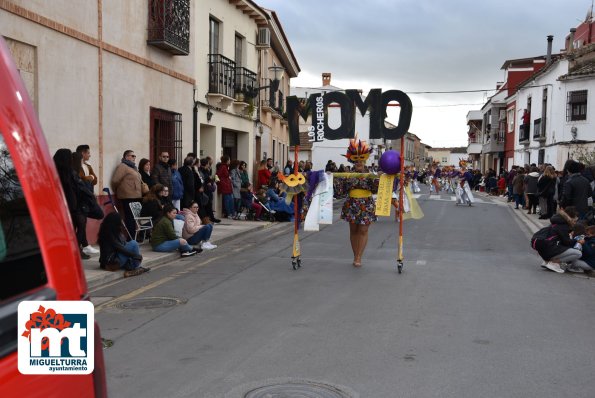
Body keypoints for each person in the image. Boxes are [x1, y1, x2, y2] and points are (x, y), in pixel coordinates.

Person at [333, 137, 378, 267]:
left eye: (361, 159)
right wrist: (333, 178)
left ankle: (359, 256)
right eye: (356, 159)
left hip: (366, 204)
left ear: (365, 159)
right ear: (352, 159)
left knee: (363, 230)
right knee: (353, 230)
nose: (359, 161)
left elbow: (376, 189)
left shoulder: (371, 173)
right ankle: (355, 255)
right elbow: (340, 191)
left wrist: (377, 178)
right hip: (352, 203)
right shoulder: (348, 174)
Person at [53, 148, 91, 259]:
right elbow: (79, 189)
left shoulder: (53, 172)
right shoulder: (69, 173)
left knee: (75, 228)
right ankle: (74, 251)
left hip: (64, 207)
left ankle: (74, 250)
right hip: (71, 207)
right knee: (78, 227)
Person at [532, 207, 582, 273]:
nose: (575, 223)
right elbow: (567, 242)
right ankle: (554, 263)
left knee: (563, 248)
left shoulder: (557, 220)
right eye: (575, 221)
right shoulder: (563, 225)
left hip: (544, 250)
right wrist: (577, 241)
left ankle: (547, 261)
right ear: (571, 218)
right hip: (549, 250)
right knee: (578, 253)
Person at [97, 212, 148, 276]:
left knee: (130, 245)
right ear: (115, 222)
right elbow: (120, 248)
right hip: (111, 263)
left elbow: (123, 245)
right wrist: (135, 255)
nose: (122, 222)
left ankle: (134, 266)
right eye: (120, 221)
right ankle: (136, 268)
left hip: (111, 261)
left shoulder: (110, 231)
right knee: (133, 243)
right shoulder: (108, 234)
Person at [111, 150, 143, 239]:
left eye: (135, 156)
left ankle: (134, 236)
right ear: (126, 157)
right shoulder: (123, 166)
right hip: (127, 196)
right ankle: (130, 237)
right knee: (129, 217)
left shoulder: (133, 167)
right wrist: (118, 190)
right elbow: (115, 180)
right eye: (132, 156)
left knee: (135, 217)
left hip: (136, 196)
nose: (134, 158)